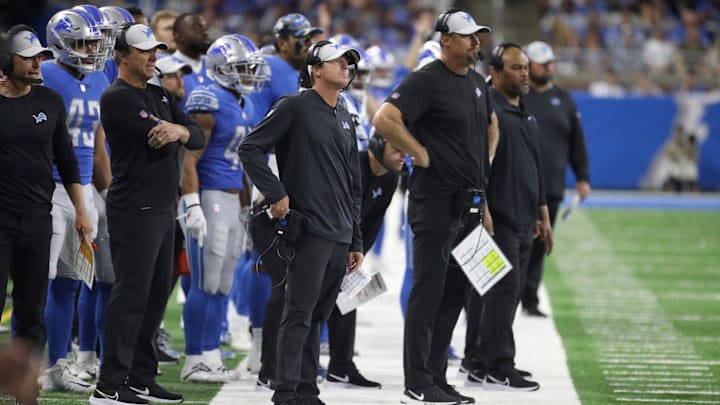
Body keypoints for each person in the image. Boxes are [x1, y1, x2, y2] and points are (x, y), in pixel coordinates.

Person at [373, 9, 494, 405]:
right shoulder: (425, 79)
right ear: (445, 40)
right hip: (435, 200)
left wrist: (484, 202)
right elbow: (385, 118)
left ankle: (436, 376)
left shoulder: (477, 82)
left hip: (470, 203)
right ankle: (416, 381)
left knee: (455, 294)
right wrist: (419, 153)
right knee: (429, 292)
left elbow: (482, 139)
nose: (475, 42)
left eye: (477, 36)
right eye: (467, 37)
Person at [239, 40, 364, 405]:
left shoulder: (344, 112)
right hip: (309, 229)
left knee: (318, 316)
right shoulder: (293, 105)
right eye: (336, 61)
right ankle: (285, 391)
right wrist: (276, 193)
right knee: (299, 313)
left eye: (347, 61)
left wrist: (356, 238)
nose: (344, 66)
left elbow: (353, 182)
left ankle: (307, 389)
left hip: (340, 232)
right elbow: (250, 148)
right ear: (315, 69)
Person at [91, 23, 204, 405]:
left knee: (156, 299)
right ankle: (109, 385)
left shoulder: (156, 93)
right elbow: (157, 134)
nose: (153, 55)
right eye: (144, 50)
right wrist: (174, 129)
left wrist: (177, 130)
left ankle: (140, 377)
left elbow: (194, 134)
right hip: (134, 209)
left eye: (155, 49)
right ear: (122, 55)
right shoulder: (118, 97)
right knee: (130, 298)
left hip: (162, 210)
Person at [0, 25, 92, 405]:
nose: (39, 63)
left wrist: (82, 210)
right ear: (7, 64)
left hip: (39, 218)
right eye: (30, 57)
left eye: (41, 56)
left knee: (31, 309)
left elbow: (67, 161)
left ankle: (25, 388)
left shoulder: (50, 100)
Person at [178, 34, 267, 384]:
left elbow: (244, 161)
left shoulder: (242, 100)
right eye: (241, 68)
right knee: (205, 282)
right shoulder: (207, 98)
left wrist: (247, 208)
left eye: (250, 68)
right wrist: (191, 203)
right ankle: (194, 358)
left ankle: (211, 356)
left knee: (223, 284)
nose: (248, 74)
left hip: (233, 200)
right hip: (210, 196)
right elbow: (189, 159)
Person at [465, 42, 553, 392]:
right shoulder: (487, 108)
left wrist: (542, 213)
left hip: (522, 218)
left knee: (497, 292)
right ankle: (498, 364)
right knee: (499, 291)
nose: (524, 73)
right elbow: (477, 164)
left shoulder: (523, 111)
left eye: (525, 67)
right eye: (516, 67)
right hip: (496, 217)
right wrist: (482, 209)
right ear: (495, 72)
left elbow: (535, 167)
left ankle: (477, 361)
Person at [245, 12, 323, 389]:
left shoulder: (305, 78)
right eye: (299, 37)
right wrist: (271, 187)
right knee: (273, 274)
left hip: (296, 184)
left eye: (309, 37)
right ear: (280, 41)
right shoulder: (271, 69)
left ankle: (279, 357)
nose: (306, 43)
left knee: (291, 280)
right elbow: (257, 133)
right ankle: (261, 348)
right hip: (273, 183)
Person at [41, 8, 110, 392]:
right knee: (42, 281)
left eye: (94, 42)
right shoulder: (46, 75)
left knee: (71, 280)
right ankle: (38, 363)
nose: (90, 50)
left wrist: (105, 190)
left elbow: (98, 142)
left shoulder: (98, 78)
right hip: (49, 187)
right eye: (83, 42)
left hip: (83, 191)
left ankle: (58, 363)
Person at [325, 130, 406, 390]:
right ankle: (292, 366)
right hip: (325, 237)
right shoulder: (352, 166)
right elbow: (332, 209)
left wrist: (358, 256)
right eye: (397, 148)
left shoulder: (392, 178)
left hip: (349, 245)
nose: (403, 154)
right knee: (311, 304)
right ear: (377, 146)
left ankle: (341, 366)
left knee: (349, 297)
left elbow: (374, 221)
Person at [521, 41, 590, 317]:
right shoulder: (518, 96)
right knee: (514, 243)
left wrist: (582, 177)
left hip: (551, 185)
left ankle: (529, 299)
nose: (549, 68)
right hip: (520, 185)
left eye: (551, 63)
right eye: (543, 64)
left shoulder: (564, 99)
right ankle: (502, 299)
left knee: (540, 245)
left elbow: (577, 142)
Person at [250, 13, 323, 115]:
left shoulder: (296, 71)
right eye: (303, 38)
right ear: (282, 44)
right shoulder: (274, 67)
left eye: (310, 38)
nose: (309, 43)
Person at [172, 12, 211, 102]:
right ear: (179, 36)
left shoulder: (215, 66)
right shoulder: (167, 68)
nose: (205, 33)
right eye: (198, 29)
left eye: (206, 28)